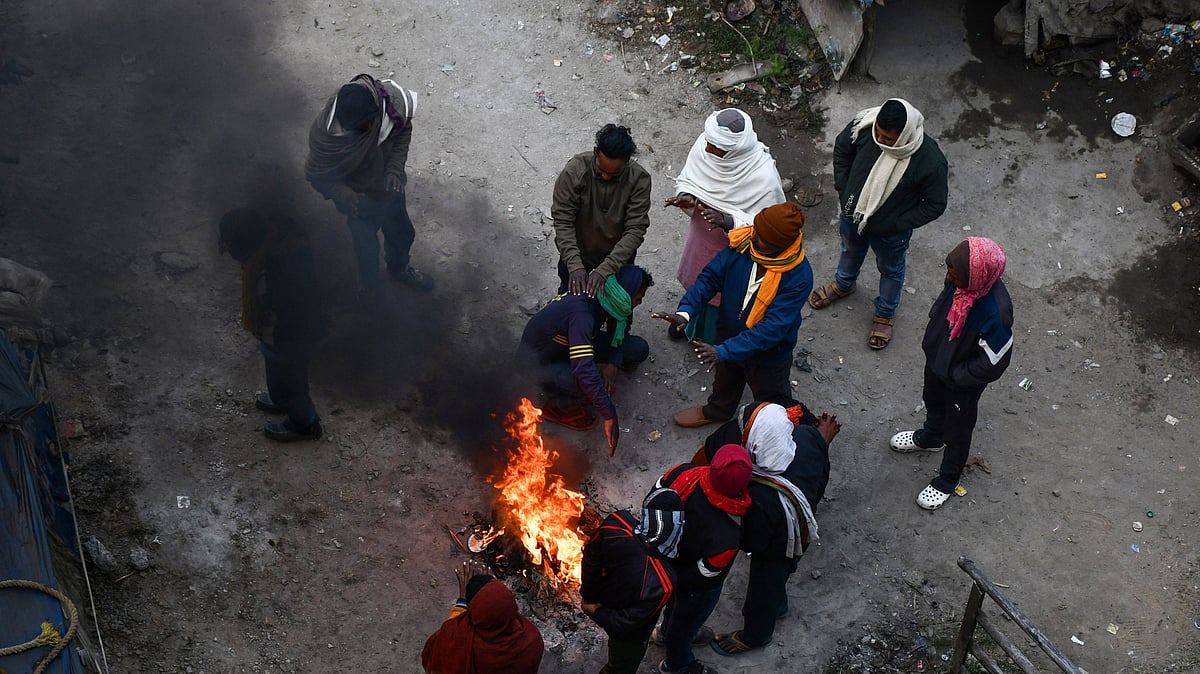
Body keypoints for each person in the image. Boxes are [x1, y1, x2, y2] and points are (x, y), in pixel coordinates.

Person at [654, 203, 812, 428]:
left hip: (768, 355)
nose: (754, 238)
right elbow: (710, 278)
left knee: (771, 398)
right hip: (727, 335)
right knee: (725, 380)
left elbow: (772, 329)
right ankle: (718, 410)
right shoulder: (743, 244)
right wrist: (686, 312)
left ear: (781, 246)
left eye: (762, 238)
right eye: (755, 231)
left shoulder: (799, 276)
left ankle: (771, 432)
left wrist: (724, 351)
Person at [700, 402, 840, 657]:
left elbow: (753, 543)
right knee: (778, 579)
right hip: (802, 523)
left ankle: (756, 636)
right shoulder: (807, 436)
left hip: (780, 542)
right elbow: (820, 478)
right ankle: (779, 604)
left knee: (763, 590)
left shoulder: (763, 496)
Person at [808, 98, 948, 350]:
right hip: (853, 213)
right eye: (879, 135)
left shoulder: (929, 160)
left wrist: (895, 223)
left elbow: (935, 204)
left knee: (891, 269)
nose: (880, 141)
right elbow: (842, 147)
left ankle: (884, 312)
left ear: (904, 135)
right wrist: (844, 188)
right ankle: (843, 285)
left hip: (890, 233)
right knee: (849, 249)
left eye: (888, 139)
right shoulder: (866, 126)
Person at [890, 237, 1013, 510]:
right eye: (948, 270)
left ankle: (947, 480)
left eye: (953, 274)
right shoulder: (963, 284)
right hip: (938, 362)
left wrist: (958, 375)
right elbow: (943, 307)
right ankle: (931, 438)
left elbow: (995, 361)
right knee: (932, 399)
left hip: (961, 382)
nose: (948, 277)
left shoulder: (997, 312)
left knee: (958, 429)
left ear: (976, 275)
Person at [305, 74, 432, 303]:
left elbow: (403, 129)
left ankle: (399, 268)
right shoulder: (326, 139)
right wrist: (342, 194)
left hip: (389, 192)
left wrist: (394, 170)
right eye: (364, 127)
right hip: (359, 203)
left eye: (371, 122)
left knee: (403, 234)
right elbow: (317, 175)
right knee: (366, 250)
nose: (371, 127)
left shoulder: (386, 103)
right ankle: (370, 289)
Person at [666, 108, 786, 343]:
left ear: (736, 150)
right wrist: (687, 197)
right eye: (709, 144)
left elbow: (771, 226)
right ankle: (687, 319)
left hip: (734, 247)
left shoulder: (764, 177)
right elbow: (690, 178)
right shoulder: (707, 143)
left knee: (722, 291)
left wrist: (729, 221)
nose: (708, 149)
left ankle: (710, 338)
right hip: (702, 236)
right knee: (697, 278)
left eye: (717, 149)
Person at [517, 265, 653, 455]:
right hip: (540, 364)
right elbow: (583, 370)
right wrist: (609, 413)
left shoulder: (610, 298)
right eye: (638, 298)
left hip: (573, 343)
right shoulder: (582, 315)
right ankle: (558, 406)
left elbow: (619, 328)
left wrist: (613, 363)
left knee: (638, 349)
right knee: (584, 381)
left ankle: (593, 380)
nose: (639, 303)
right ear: (623, 294)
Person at [219, 208, 325, 442]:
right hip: (291, 332)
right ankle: (283, 400)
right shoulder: (278, 232)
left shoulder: (275, 275)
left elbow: (287, 315)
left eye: (234, 250)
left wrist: (270, 334)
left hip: (287, 338)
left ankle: (304, 423)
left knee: (287, 382)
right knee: (289, 377)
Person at [653, 444, 753, 674]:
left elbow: (655, 500)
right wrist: (679, 583)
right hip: (695, 585)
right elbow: (702, 576)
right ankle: (678, 664)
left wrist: (669, 574)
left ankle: (665, 632)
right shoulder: (728, 535)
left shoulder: (682, 473)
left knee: (674, 605)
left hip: (668, 560)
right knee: (687, 619)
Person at [580, 489, 683, 674]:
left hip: (605, 600)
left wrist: (589, 598)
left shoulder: (617, 524)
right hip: (631, 636)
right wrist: (598, 613)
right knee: (621, 666)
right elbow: (627, 623)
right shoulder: (664, 581)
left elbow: (590, 559)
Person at [552, 124, 652, 298]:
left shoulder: (639, 180)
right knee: (569, 304)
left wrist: (606, 269)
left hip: (617, 258)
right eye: (601, 170)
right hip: (578, 250)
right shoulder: (575, 171)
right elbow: (563, 221)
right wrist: (575, 265)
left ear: (627, 162)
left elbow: (635, 230)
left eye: (614, 174)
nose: (606, 176)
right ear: (596, 152)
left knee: (615, 309)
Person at [421, 558, 544, 674]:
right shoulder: (533, 639)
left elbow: (432, 658)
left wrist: (462, 603)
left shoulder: (455, 638)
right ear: (511, 605)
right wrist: (494, 591)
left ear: (474, 613)